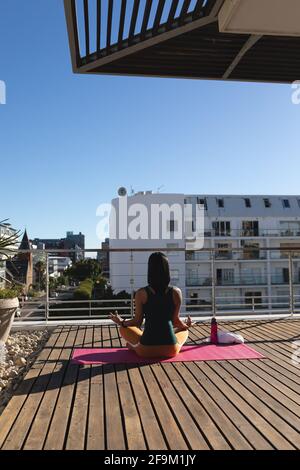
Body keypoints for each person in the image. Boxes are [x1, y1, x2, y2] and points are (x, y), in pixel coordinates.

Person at [110, 252, 193, 358]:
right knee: (184, 330)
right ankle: (134, 346)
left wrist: (121, 322)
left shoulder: (141, 293)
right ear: (167, 270)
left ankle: (135, 346)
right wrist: (186, 325)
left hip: (146, 350)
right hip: (170, 350)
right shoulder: (176, 292)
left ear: (150, 270)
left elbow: (137, 322)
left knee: (123, 328)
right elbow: (176, 322)